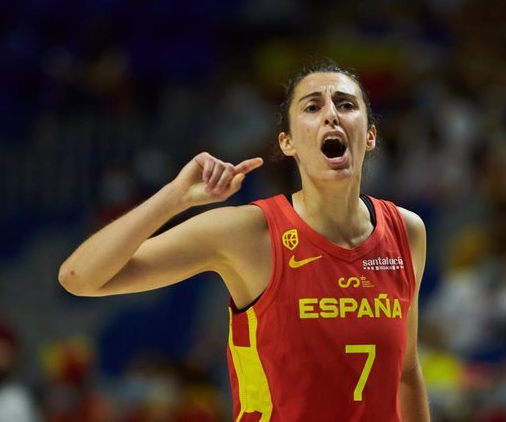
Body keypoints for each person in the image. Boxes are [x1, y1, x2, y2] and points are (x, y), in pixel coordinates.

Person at [59, 62, 430, 421]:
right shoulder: (246, 233)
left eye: (346, 105)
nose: (332, 115)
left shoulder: (406, 232)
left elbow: (407, 372)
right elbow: (79, 277)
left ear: (370, 135)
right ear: (287, 143)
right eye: (313, 106)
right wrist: (174, 197)